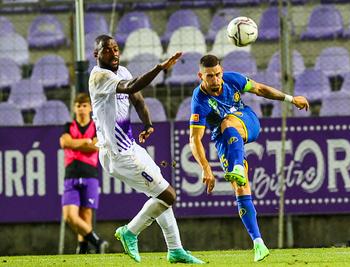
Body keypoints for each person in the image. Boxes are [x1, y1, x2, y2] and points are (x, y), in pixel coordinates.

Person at [88, 34, 204, 264]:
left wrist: (148, 124)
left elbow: (137, 98)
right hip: (118, 154)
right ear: (96, 55)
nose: (113, 53)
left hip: (130, 147)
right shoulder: (99, 76)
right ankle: (130, 232)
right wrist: (159, 68)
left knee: (159, 193)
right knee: (168, 195)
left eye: (115, 48)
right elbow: (132, 86)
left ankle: (175, 250)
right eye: (107, 50)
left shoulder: (121, 71)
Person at [189, 54, 309, 262]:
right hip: (223, 139)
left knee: (226, 122)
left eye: (218, 74)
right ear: (201, 76)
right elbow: (194, 139)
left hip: (247, 121)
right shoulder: (199, 101)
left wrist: (291, 99)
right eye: (210, 76)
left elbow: (260, 89)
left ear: (222, 72)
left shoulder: (232, 80)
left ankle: (236, 166)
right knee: (241, 189)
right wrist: (206, 168)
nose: (215, 80)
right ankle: (258, 243)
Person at [60, 93, 108, 254]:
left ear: (90, 107)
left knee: (86, 214)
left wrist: (75, 144)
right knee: (70, 216)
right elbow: (64, 142)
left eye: (84, 105)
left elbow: (96, 146)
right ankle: (98, 241)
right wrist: (86, 142)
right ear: (74, 108)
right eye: (78, 106)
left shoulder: (95, 126)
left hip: (90, 174)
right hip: (71, 174)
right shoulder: (68, 125)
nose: (81, 109)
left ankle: (82, 249)